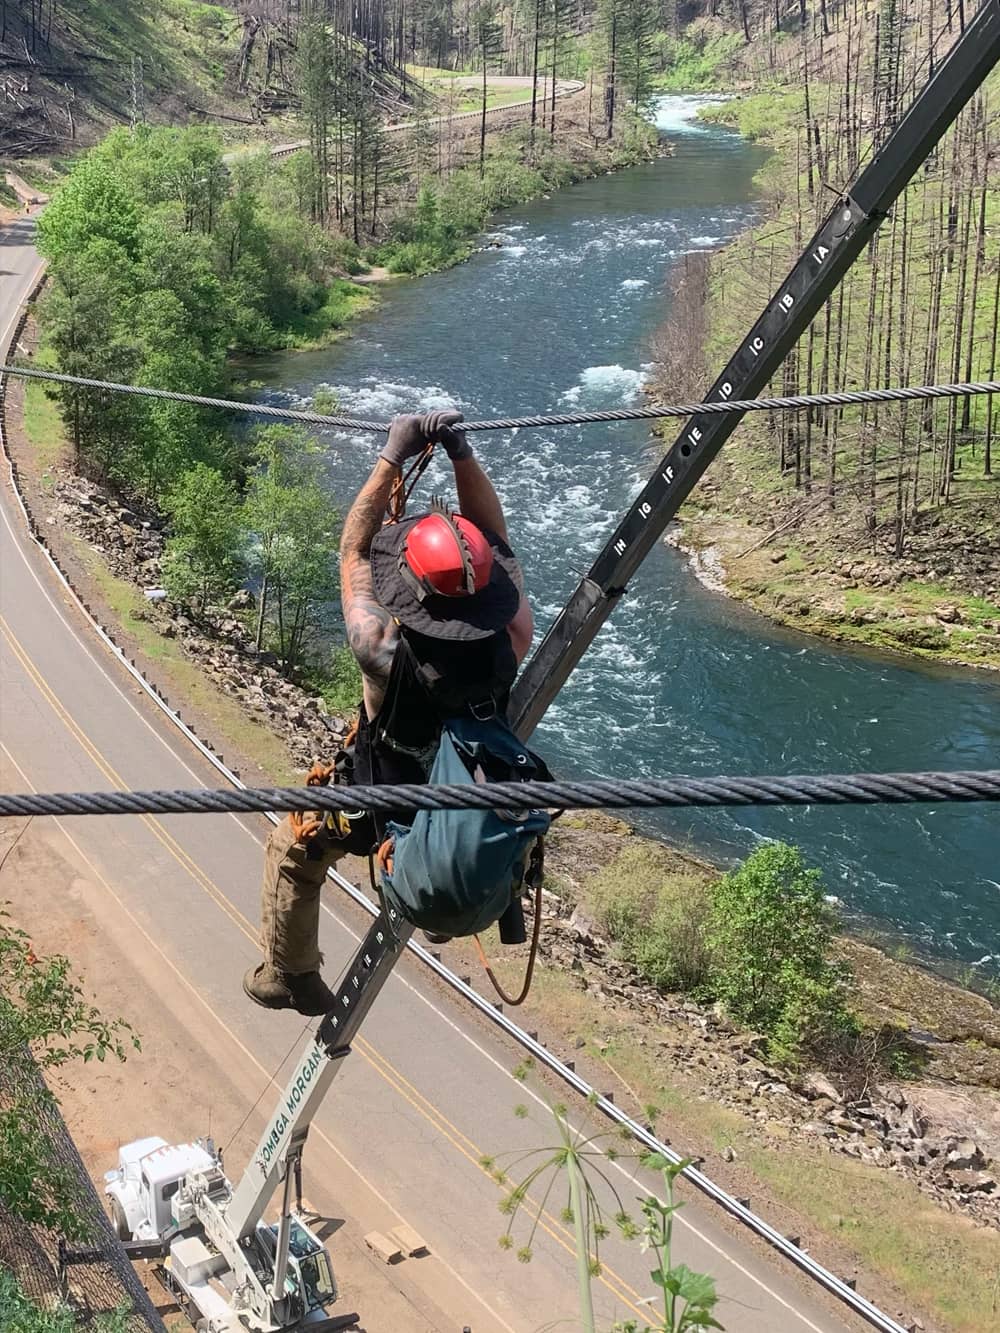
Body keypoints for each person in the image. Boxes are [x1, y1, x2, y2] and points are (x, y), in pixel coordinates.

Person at [244, 410, 533, 1015]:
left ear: (411, 592)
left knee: (291, 848)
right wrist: (462, 456)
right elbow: (495, 540)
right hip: (459, 798)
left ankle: (287, 975)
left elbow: (353, 551)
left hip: (385, 811)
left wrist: (392, 454)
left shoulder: (380, 648)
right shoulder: (511, 634)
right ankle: (441, 900)